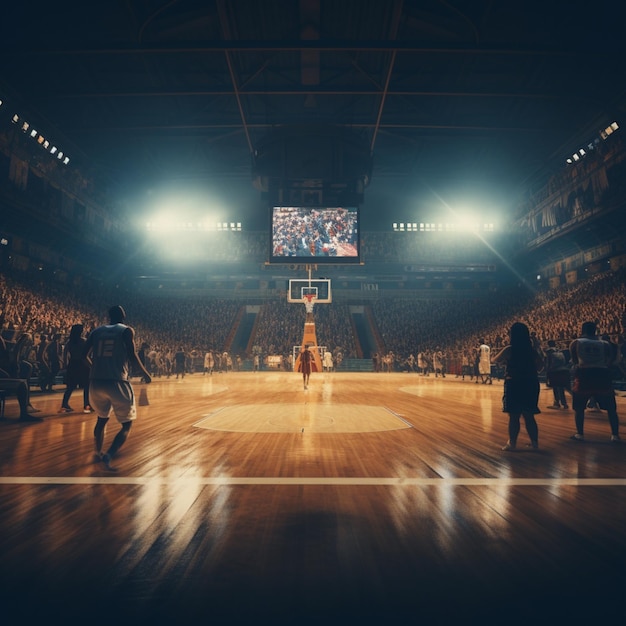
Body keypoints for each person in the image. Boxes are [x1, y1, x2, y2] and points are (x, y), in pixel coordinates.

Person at [83, 305, 152, 470]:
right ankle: (109, 454)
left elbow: (82, 355)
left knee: (101, 419)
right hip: (117, 381)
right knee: (126, 425)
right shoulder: (126, 330)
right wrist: (145, 373)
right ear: (122, 315)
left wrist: (95, 368)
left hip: (96, 382)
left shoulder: (96, 332)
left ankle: (98, 451)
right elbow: (132, 354)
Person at [492, 322, 544, 451]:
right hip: (531, 383)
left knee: (514, 416)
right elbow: (541, 366)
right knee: (529, 415)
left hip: (514, 382)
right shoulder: (531, 351)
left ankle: (512, 443)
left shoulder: (510, 349)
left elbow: (495, 360)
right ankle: (535, 444)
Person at [569, 321, 621, 442]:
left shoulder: (576, 343)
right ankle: (615, 435)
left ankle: (580, 434)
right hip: (602, 374)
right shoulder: (605, 344)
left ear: (582, 330)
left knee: (579, 407)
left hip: (584, 375)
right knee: (611, 409)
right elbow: (610, 360)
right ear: (595, 330)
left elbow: (575, 361)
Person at [59, 323, 91, 413]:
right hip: (82, 364)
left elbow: (65, 355)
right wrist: (90, 365)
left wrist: (65, 365)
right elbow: (86, 355)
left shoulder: (69, 342)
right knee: (86, 386)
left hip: (72, 363)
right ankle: (86, 405)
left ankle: (64, 404)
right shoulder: (84, 341)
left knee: (70, 387)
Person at [545, 339, 570, 410]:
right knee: (561, 387)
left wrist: (548, 372)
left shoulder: (549, 351)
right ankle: (564, 403)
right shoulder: (559, 350)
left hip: (554, 370)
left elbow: (548, 362)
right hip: (562, 369)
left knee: (555, 387)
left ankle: (557, 403)